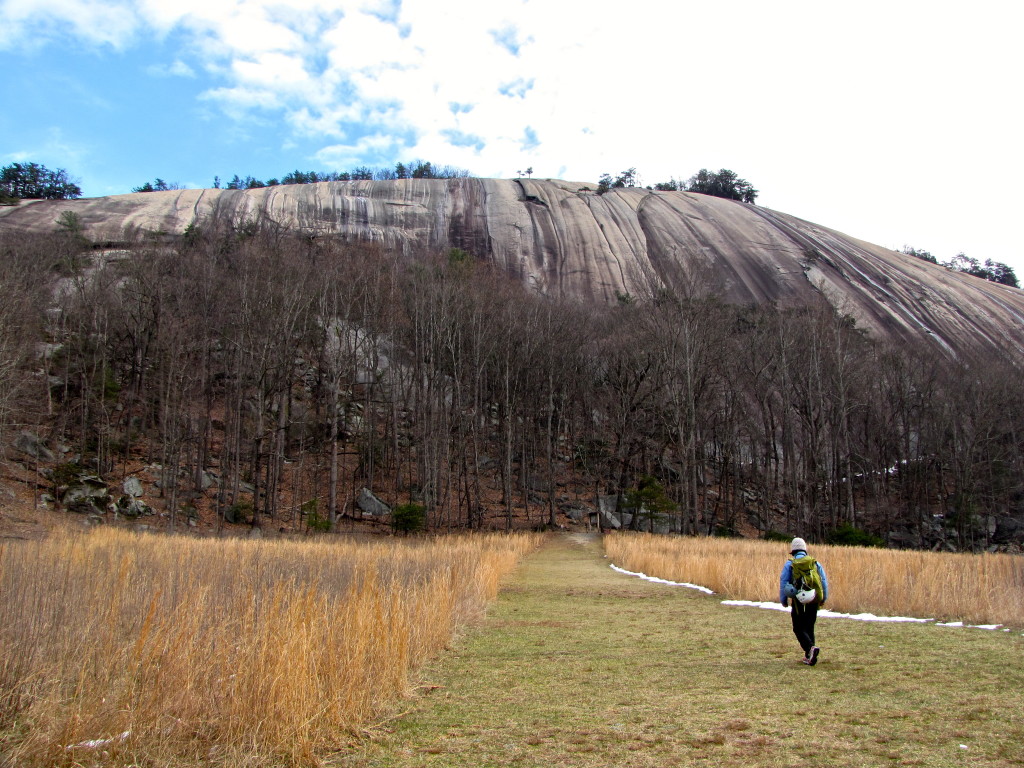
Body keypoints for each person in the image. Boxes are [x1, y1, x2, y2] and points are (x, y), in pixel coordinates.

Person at [779, 537, 829, 665]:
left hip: (797, 600)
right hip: (813, 598)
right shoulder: (814, 563)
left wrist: (783, 600)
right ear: (805, 549)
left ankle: (810, 649)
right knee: (809, 626)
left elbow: (783, 582)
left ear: (793, 550)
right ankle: (810, 656)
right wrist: (823, 598)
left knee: (798, 628)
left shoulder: (790, 564)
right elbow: (823, 581)